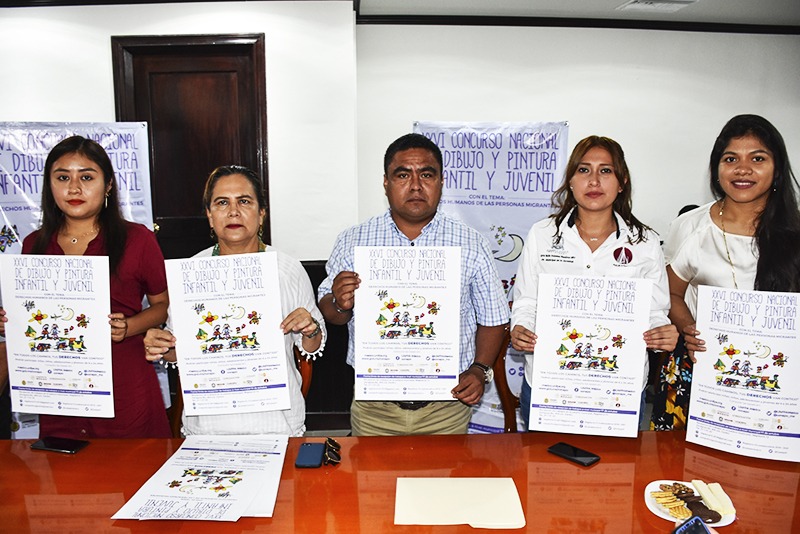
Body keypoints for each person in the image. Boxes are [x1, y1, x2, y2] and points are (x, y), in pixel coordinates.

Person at [317, 133, 509, 436]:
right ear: (386, 183)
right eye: (403, 175)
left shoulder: (471, 243)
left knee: (444, 471)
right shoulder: (354, 240)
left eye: (427, 175)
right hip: (374, 408)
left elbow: (494, 317)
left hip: (445, 409)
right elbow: (331, 312)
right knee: (370, 471)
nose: (416, 185)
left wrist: (479, 369)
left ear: (441, 182)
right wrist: (340, 302)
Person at [509, 135, 678, 430]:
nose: (594, 181)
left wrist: (660, 333)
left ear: (622, 181)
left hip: (618, 388)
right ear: (571, 181)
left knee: (614, 462)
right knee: (542, 461)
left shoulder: (645, 242)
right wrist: (521, 328)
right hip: (550, 383)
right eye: (584, 170)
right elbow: (526, 301)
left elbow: (654, 311)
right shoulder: (542, 234)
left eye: (606, 170)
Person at [8, 135, 171, 438]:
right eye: (62, 178)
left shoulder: (138, 239)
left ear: (108, 184)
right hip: (59, 389)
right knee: (65, 466)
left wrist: (130, 326)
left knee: (132, 465)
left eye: (86, 177)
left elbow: (162, 305)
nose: (74, 188)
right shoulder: (34, 244)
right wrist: (13, 321)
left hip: (124, 386)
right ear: (49, 185)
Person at [143, 165, 325, 436]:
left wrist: (310, 328)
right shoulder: (192, 271)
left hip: (276, 423)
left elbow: (312, 346)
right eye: (222, 203)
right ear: (209, 215)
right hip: (208, 425)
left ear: (261, 214)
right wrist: (160, 345)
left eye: (244, 201)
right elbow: (178, 351)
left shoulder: (287, 269)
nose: (233, 211)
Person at [651, 114, 800, 430]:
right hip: (699, 366)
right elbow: (670, 293)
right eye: (730, 159)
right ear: (716, 169)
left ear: (776, 169)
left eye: (757, 159)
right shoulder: (690, 226)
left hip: (775, 376)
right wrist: (689, 329)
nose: (742, 169)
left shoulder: (795, 231)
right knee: (680, 459)